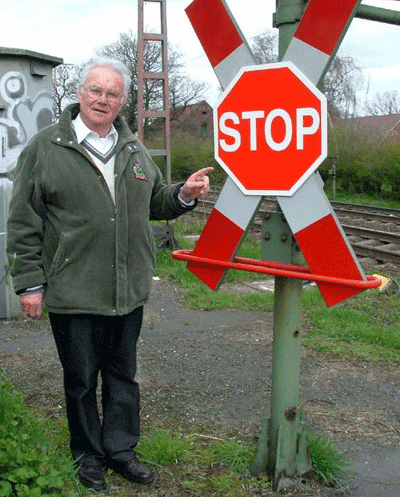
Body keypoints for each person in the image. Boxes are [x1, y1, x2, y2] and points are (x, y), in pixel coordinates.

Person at [6, 56, 213, 492]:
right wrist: (29, 284)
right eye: (95, 90)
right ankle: (87, 456)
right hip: (72, 290)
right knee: (80, 380)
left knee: (122, 376)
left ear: (122, 101)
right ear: (80, 94)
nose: (103, 100)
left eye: (112, 93)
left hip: (127, 291)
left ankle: (120, 451)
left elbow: (154, 201)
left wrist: (184, 194)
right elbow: (24, 222)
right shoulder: (46, 148)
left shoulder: (132, 148)